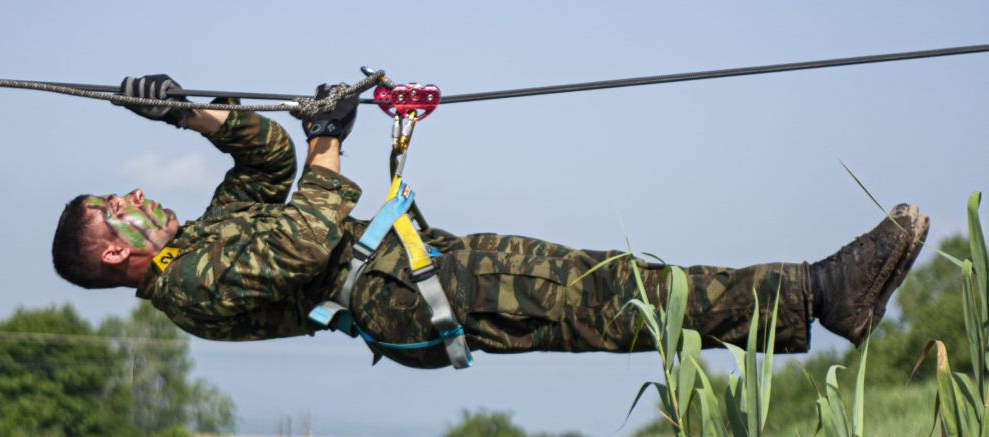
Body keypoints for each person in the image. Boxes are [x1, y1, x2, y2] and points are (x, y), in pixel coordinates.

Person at [51, 75, 929, 370]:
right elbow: (306, 234)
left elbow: (266, 164)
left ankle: (814, 301)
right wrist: (330, 139)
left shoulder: (197, 240)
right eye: (117, 207)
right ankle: (819, 294)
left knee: (606, 288)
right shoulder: (189, 287)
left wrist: (187, 116)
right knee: (603, 293)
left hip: (413, 271)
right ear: (119, 251)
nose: (135, 194)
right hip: (405, 295)